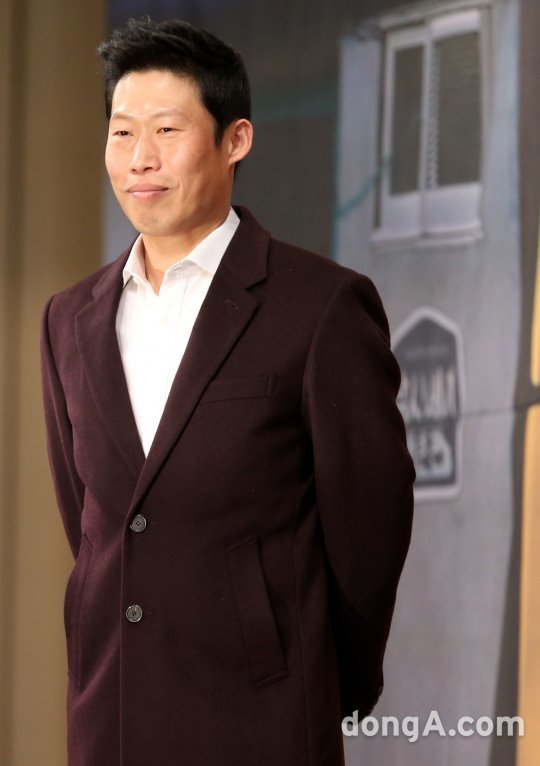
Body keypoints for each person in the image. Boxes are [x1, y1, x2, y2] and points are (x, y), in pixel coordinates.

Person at [40, 17, 415, 766]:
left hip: (261, 715)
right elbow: (91, 518)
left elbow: (370, 520)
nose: (141, 159)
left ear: (235, 139)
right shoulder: (68, 318)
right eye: (122, 134)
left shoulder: (320, 306)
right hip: (111, 714)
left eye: (167, 130)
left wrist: (316, 672)